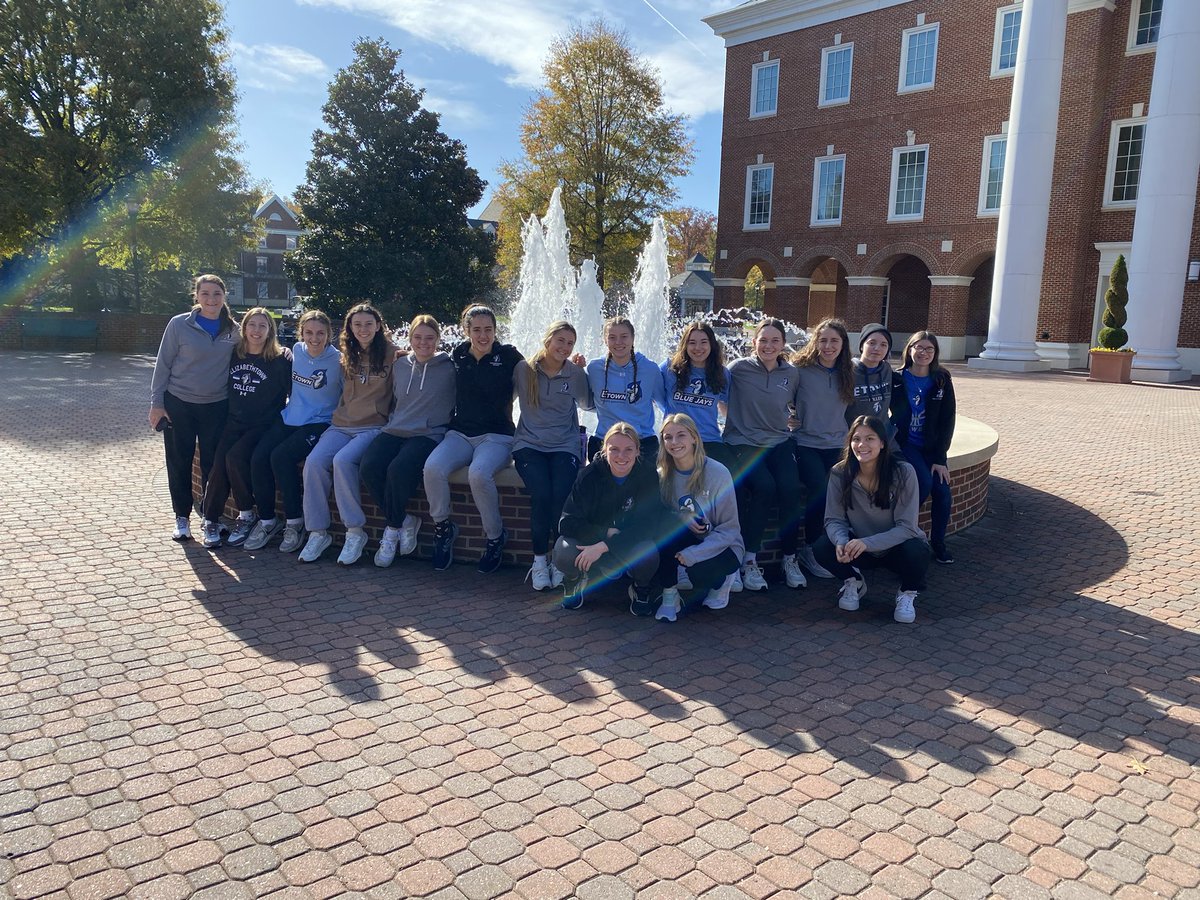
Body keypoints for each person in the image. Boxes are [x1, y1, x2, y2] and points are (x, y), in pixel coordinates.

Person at [423, 305, 524, 573]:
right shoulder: (457, 355)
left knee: (479, 475)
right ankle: (443, 527)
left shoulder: (509, 356)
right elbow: (427, 362)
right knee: (432, 468)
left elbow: (537, 372)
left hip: (497, 436)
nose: (483, 335)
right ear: (466, 330)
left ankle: (495, 537)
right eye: (476, 330)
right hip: (461, 433)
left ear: (495, 331)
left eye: (488, 329)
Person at [299, 304, 395, 564]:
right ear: (350, 328)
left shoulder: (393, 355)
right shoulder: (346, 355)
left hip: (373, 426)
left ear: (378, 325)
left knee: (343, 462)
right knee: (314, 463)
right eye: (357, 324)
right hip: (341, 425)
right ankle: (318, 532)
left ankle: (355, 531)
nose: (363, 329)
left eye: (368, 324)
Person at [814, 415, 931, 624]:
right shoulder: (840, 473)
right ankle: (854, 581)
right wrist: (841, 541)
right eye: (856, 439)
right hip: (859, 547)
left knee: (918, 552)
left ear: (883, 444)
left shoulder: (904, 472)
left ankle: (906, 593)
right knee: (823, 547)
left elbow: (907, 527)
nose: (862, 445)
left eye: (870, 439)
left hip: (896, 547)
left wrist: (867, 543)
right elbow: (833, 519)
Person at [359, 315, 456, 567]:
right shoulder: (400, 365)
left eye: (430, 338)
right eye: (417, 337)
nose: (423, 343)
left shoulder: (450, 367)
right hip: (395, 429)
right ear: (410, 338)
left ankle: (391, 530)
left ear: (438, 339)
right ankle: (405, 520)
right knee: (368, 466)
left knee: (398, 469)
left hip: (428, 434)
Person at [243, 310, 344, 552]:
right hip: (291, 417)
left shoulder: (339, 360)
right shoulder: (295, 351)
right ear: (301, 333)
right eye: (309, 332)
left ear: (329, 334)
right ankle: (267, 521)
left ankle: (295, 522)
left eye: (321, 333)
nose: (314, 338)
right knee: (258, 457)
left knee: (281, 457)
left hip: (319, 422)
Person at [149, 274, 240, 541]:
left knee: (214, 465)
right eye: (205, 294)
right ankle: (181, 518)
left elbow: (257, 350)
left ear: (224, 297)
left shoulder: (234, 330)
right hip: (179, 404)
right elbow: (162, 364)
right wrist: (157, 404)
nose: (211, 299)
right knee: (179, 462)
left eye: (216, 294)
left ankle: (210, 518)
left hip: (216, 406)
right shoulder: (179, 325)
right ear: (197, 297)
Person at [198, 308, 291, 548]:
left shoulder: (280, 360)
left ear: (270, 330)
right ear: (244, 327)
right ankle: (210, 520)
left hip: (262, 424)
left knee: (235, 458)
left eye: (263, 326)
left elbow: (295, 393)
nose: (257, 331)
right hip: (233, 421)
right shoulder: (234, 355)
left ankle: (246, 514)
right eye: (252, 325)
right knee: (219, 465)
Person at [723, 318, 804, 592]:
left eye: (775, 340)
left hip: (779, 441)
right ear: (753, 342)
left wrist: (795, 422)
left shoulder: (791, 374)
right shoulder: (738, 369)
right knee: (764, 487)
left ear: (783, 344)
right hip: (742, 442)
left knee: (791, 488)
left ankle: (790, 558)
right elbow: (717, 395)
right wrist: (733, 420)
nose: (768, 345)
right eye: (763, 340)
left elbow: (798, 404)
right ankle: (748, 560)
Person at [554, 423, 664, 614]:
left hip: (627, 543)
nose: (621, 456)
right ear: (605, 450)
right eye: (614, 449)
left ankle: (640, 588)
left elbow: (651, 525)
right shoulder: (589, 476)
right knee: (564, 551)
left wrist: (605, 545)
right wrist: (603, 533)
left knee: (648, 553)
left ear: (638, 451)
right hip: (590, 541)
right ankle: (573, 581)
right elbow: (566, 522)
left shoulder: (647, 475)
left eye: (628, 449)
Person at [512, 321, 590, 590]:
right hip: (529, 445)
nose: (565, 347)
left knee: (561, 498)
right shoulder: (524, 370)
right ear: (548, 340)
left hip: (564, 446)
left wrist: (586, 370)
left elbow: (588, 404)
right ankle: (538, 562)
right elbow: (500, 396)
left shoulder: (574, 373)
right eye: (560, 340)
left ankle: (559, 562)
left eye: (570, 343)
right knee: (542, 495)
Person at [654, 414, 742, 622]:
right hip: (687, 539)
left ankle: (722, 581)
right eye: (668, 437)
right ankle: (669, 597)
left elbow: (730, 529)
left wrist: (695, 553)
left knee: (700, 573)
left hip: (723, 544)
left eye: (681, 435)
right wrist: (681, 518)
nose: (674, 443)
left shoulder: (718, 473)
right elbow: (659, 517)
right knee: (664, 525)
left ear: (694, 438)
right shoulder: (662, 474)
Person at [790, 318, 855, 581]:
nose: (828, 346)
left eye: (834, 341)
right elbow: (778, 398)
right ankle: (810, 549)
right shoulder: (799, 370)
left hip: (838, 445)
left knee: (848, 491)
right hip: (806, 443)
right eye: (823, 340)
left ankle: (846, 546)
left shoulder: (849, 371)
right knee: (819, 488)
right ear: (815, 342)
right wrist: (788, 417)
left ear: (842, 345)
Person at [896, 331, 957, 565]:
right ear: (909, 350)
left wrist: (940, 458)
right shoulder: (898, 378)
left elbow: (947, 420)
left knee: (942, 493)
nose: (923, 353)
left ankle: (938, 542)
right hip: (908, 445)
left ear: (935, 353)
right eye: (918, 347)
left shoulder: (941, 379)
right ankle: (904, 534)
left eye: (929, 349)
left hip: (932, 448)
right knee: (923, 482)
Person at [580, 316, 665, 463]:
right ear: (605, 340)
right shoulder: (594, 368)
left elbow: (664, 404)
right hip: (604, 440)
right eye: (612, 337)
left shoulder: (650, 369)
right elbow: (585, 403)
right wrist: (575, 369)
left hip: (642, 441)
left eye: (624, 337)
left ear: (633, 339)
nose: (618, 342)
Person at [660, 321, 731, 467]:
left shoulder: (722, 373)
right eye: (692, 342)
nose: (698, 348)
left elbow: (726, 406)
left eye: (703, 342)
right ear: (685, 345)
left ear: (712, 344)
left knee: (733, 479)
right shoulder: (669, 369)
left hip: (709, 440)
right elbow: (658, 398)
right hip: (676, 442)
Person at [848, 322, 907, 438]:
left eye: (883, 345)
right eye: (871, 343)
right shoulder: (848, 371)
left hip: (883, 437)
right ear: (861, 346)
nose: (877, 348)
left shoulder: (886, 369)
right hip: (856, 438)